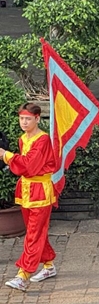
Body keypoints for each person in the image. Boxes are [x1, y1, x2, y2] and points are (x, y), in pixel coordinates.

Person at [0, 104, 57, 291]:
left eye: (28, 119)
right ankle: (48, 266)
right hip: (26, 191)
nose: (24, 122)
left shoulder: (43, 140)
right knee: (37, 232)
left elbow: (29, 166)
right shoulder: (23, 139)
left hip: (40, 191)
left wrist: (6, 156)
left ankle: (23, 274)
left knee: (33, 233)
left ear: (38, 119)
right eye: (22, 119)